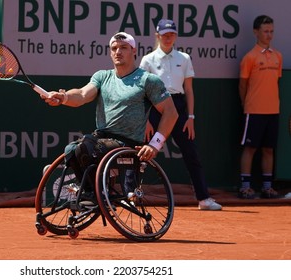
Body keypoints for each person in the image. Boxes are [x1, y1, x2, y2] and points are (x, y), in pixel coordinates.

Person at [42, 32, 178, 198]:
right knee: (71, 149)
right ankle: (92, 191)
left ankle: (95, 194)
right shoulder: (102, 76)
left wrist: (155, 144)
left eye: (123, 48)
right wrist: (64, 97)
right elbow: (83, 94)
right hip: (102, 139)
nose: (118, 52)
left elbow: (171, 113)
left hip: (127, 143)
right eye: (114, 48)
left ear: (134, 51)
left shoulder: (148, 80)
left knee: (86, 147)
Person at [139, 19, 222, 210]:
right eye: (165, 35)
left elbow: (189, 90)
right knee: (143, 152)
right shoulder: (148, 60)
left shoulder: (184, 58)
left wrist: (191, 118)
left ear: (176, 36)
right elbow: (142, 92)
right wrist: (145, 120)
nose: (168, 38)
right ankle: (131, 194)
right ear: (158, 36)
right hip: (155, 106)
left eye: (172, 34)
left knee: (191, 153)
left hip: (178, 108)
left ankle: (203, 199)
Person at [238, 15, 282, 199]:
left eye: (271, 31)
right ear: (256, 32)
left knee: (269, 149)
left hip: (273, 111)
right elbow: (243, 86)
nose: (269, 35)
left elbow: (276, 82)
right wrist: (246, 105)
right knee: (250, 149)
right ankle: (245, 186)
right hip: (254, 111)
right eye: (266, 31)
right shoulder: (250, 57)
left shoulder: (278, 56)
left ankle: (267, 186)